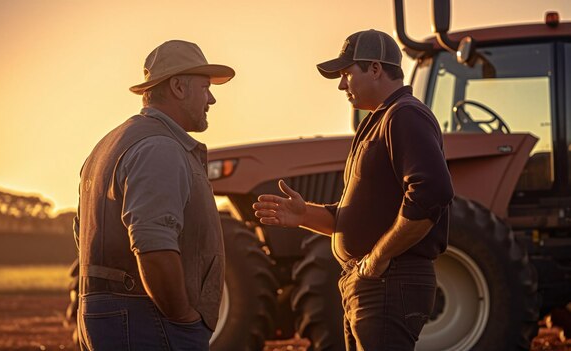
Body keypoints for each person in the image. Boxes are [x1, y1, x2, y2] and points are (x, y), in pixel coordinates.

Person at [253, 29, 454, 351]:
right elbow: (353, 218)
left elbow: (432, 194)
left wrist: (377, 258)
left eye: (347, 73)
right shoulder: (379, 120)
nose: (342, 84)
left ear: (375, 68)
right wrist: (304, 214)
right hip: (369, 281)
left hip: (388, 280)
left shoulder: (404, 115)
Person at [74, 40, 234, 351]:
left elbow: (83, 237)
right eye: (205, 88)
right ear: (178, 87)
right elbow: (153, 245)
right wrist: (183, 318)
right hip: (146, 319)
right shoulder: (159, 148)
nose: (211, 99)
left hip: (110, 316)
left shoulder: (108, 145)